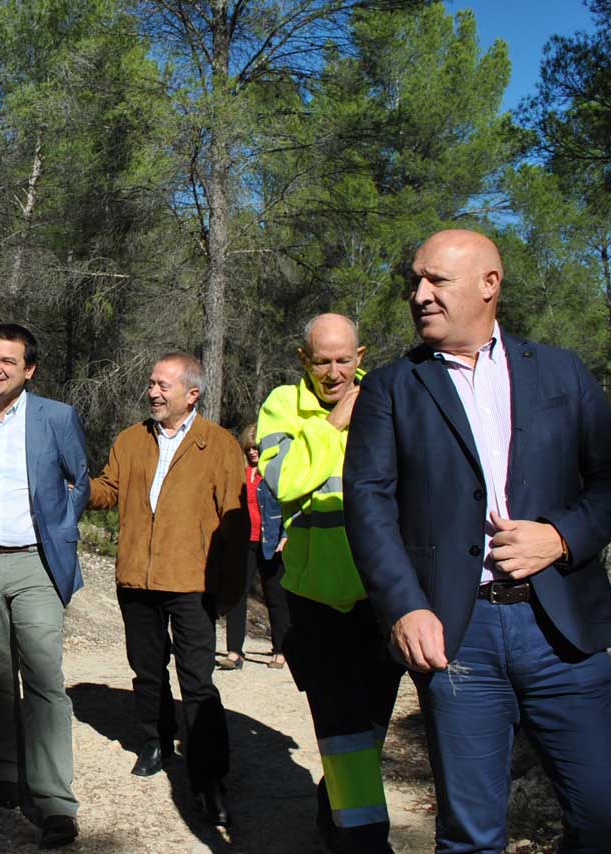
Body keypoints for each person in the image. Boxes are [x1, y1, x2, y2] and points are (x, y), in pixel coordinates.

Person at [345, 229, 611, 853]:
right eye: (415, 282)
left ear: (489, 285)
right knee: (471, 837)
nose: (419, 295)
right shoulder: (392, 387)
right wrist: (406, 606)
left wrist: (560, 536)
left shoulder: (560, 370)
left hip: (564, 633)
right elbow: (369, 504)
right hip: (457, 635)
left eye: (436, 281)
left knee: (607, 818)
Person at [256, 313, 403, 854]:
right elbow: (285, 479)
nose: (334, 372)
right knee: (342, 728)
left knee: (367, 731)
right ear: (304, 360)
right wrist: (337, 420)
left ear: (360, 356)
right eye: (322, 361)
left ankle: (334, 810)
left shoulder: (389, 398)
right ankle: (364, 841)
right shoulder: (282, 404)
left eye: (344, 360)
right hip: (315, 599)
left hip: (383, 597)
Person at [87, 352, 246, 826]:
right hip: (137, 577)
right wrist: (75, 485)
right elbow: (108, 490)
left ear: (191, 394)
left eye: (163, 386)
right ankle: (155, 741)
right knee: (147, 670)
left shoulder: (219, 445)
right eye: (151, 384)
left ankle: (208, 773)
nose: (152, 393)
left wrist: (228, 591)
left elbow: (235, 529)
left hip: (192, 581)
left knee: (197, 681)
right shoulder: (131, 439)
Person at [0, 323, 89, 850]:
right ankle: (8, 771)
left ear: (29, 369)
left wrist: (59, 526)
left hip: (36, 566)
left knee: (44, 679)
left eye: (8, 360)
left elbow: (81, 479)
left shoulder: (56, 417)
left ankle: (54, 803)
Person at [217, 424, 289, 671]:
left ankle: (280, 650)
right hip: (242, 541)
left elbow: (289, 504)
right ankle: (235, 652)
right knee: (237, 595)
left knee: (275, 597)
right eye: (249, 449)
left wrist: (286, 535)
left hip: (271, 542)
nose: (253, 453)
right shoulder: (239, 473)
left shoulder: (273, 473)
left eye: (256, 448)